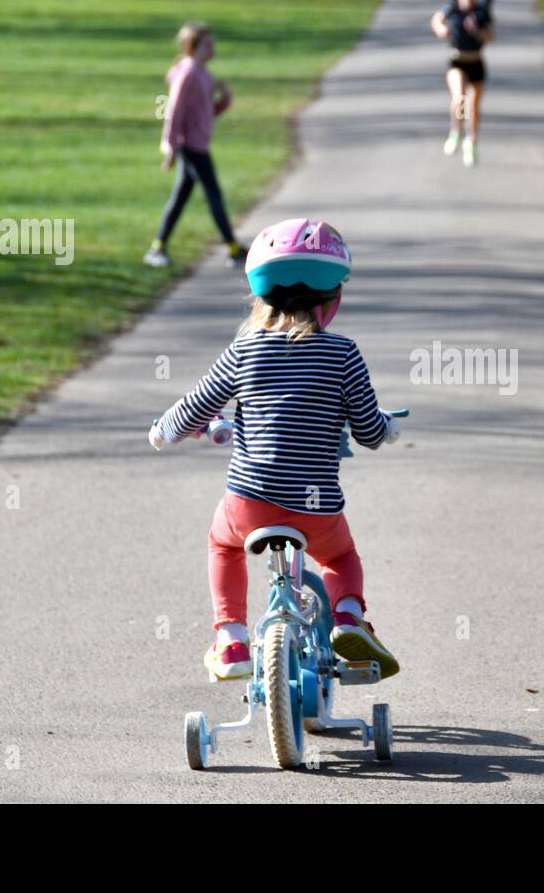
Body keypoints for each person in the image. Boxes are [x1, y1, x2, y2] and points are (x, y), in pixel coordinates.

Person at [149, 218, 403, 683]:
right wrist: (386, 427)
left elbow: (194, 408)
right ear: (332, 301)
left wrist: (164, 431)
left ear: (260, 296)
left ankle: (231, 639)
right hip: (316, 510)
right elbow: (367, 430)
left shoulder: (243, 351)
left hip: (250, 503)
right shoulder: (343, 355)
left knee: (221, 543)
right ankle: (348, 618)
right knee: (341, 559)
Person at [145, 22, 245, 269]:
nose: (213, 49)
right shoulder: (188, 72)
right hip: (190, 147)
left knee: (180, 198)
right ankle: (233, 248)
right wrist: (169, 146)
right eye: (207, 44)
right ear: (193, 47)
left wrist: (225, 100)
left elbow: (206, 113)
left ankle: (157, 247)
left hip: (199, 144)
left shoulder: (203, 73)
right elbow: (174, 110)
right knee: (214, 195)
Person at [431, 0, 494, 168]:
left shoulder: (481, 12)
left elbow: (490, 36)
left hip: (476, 61)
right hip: (457, 61)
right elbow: (436, 19)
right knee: (459, 98)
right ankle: (456, 132)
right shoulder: (452, 9)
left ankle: (471, 142)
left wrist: (477, 31)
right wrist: (441, 29)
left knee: (473, 107)